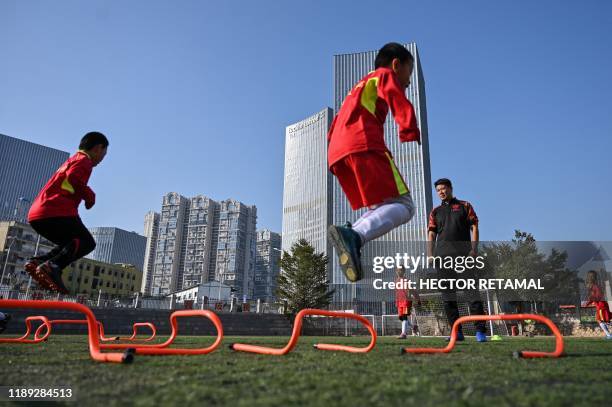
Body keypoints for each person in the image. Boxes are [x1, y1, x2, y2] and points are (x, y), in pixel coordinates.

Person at [327, 42, 421, 282]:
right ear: (396, 64)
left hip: (338, 152)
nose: (408, 83)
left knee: (380, 206)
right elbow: (394, 93)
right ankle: (355, 235)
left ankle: (351, 233)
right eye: (408, 76)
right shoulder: (383, 75)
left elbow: (337, 121)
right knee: (406, 205)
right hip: (364, 144)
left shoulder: (356, 87)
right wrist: (409, 128)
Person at [24, 132, 108, 294]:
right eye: (104, 154)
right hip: (55, 210)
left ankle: (39, 262)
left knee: (70, 244)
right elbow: (73, 177)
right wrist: (89, 195)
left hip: (38, 214)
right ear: (98, 148)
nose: (103, 158)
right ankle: (52, 266)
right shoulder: (84, 161)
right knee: (87, 242)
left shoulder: (72, 160)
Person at [427, 178, 487, 342]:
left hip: (464, 256)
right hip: (442, 258)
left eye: (444, 188)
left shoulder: (464, 205)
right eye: (438, 190)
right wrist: (430, 254)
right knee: (448, 297)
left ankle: (480, 331)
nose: (441, 192)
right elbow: (431, 234)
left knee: (472, 293)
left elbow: (474, 226)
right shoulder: (435, 211)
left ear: (451, 188)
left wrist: (474, 249)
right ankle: (456, 332)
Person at [584, 270, 612, 339]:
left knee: (601, 320)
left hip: (601, 306)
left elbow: (597, 296)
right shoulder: (596, 286)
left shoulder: (595, 286)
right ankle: (609, 335)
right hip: (602, 305)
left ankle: (609, 335)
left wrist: (588, 302)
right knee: (605, 320)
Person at [395, 267, 420, 339]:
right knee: (401, 318)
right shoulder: (396, 281)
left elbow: (413, 290)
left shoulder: (407, 281)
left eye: (401, 270)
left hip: (406, 302)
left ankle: (404, 334)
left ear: (404, 271)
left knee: (404, 316)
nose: (399, 271)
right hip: (399, 302)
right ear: (396, 271)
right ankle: (413, 327)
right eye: (397, 270)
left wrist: (417, 299)